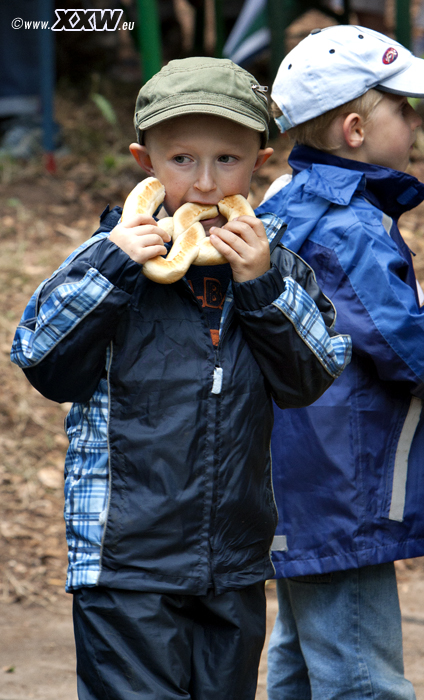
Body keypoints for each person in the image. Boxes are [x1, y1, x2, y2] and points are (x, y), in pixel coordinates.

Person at [10, 57, 351, 700]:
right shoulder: (107, 256)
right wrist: (114, 269)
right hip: (125, 564)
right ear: (146, 161)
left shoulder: (273, 264)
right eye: (181, 160)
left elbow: (311, 376)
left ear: (260, 161)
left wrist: (262, 287)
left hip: (233, 562)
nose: (202, 182)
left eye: (227, 160)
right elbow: (43, 360)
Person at [256, 25, 424, 700]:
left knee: (303, 653)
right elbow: (405, 340)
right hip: (340, 479)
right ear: (354, 128)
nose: (413, 121)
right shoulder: (345, 226)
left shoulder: (285, 202)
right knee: (360, 676)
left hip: (300, 476)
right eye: (401, 108)